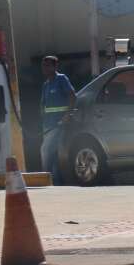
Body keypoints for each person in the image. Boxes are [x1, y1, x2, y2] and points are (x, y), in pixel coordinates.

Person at [40, 55, 76, 185]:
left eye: (48, 65)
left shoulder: (61, 79)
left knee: (45, 151)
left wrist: (67, 115)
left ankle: (46, 178)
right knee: (53, 154)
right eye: (43, 65)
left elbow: (72, 96)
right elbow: (43, 105)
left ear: (55, 66)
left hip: (59, 124)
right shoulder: (46, 85)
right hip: (48, 126)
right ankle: (56, 182)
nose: (44, 68)